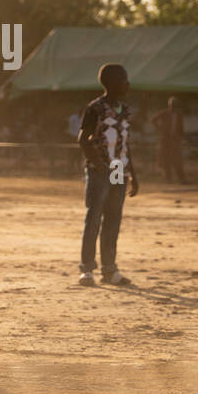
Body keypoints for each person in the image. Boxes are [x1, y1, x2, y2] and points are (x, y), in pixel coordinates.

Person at [76, 63, 138, 287]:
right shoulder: (95, 108)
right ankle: (87, 270)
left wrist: (133, 175)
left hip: (120, 171)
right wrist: (98, 164)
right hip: (100, 170)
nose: (128, 84)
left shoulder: (125, 110)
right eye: (124, 80)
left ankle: (110, 270)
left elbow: (125, 144)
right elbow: (83, 139)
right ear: (111, 84)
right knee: (93, 218)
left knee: (113, 219)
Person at [151, 96, 186, 183]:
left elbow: (181, 127)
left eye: (175, 105)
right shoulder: (165, 113)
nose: (173, 107)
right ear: (169, 105)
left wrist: (181, 136)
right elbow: (153, 119)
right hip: (165, 139)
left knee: (177, 159)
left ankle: (181, 179)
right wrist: (160, 128)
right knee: (165, 159)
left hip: (175, 140)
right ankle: (168, 178)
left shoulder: (179, 114)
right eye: (172, 105)